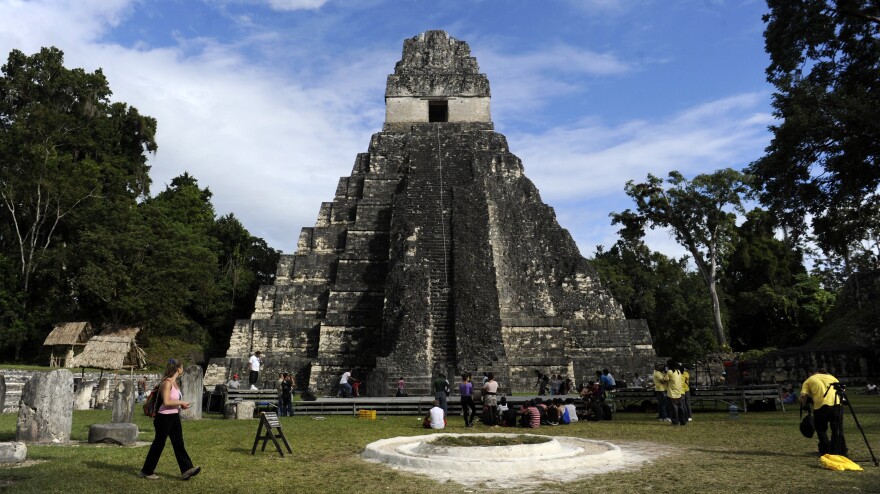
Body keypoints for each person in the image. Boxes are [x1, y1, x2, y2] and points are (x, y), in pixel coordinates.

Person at [139, 359, 201, 481]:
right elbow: (167, 402)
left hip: (174, 416)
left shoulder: (176, 383)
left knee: (179, 443)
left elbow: (173, 402)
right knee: (159, 444)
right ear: (178, 369)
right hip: (163, 418)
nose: (183, 370)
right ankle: (146, 471)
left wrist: (181, 405)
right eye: (182, 367)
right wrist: (181, 402)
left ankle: (186, 470)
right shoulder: (166, 383)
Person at [800, 369, 847, 456]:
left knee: (821, 429)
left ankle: (825, 449)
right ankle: (839, 450)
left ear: (811, 373)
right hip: (837, 405)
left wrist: (804, 405)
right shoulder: (832, 377)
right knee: (837, 429)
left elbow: (803, 395)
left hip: (820, 407)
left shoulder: (809, 380)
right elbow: (842, 389)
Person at [665, 361, 686, 425]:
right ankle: (683, 421)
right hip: (678, 392)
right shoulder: (678, 371)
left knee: (673, 409)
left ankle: (675, 422)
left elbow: (665, 379)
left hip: (672, 392)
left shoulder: (670, 372)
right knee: (680, 408)